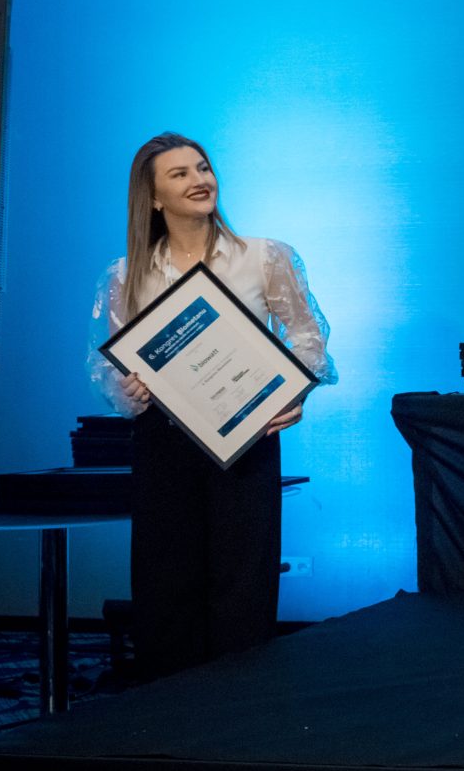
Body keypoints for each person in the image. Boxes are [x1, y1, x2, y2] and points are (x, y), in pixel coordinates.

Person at [88, 131, 337, 681]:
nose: (200, 180)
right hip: (163, 442)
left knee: (244, 584)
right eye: (179, 174)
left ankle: (240, 713)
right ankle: (171, 713)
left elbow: (308, 338)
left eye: (203, 168)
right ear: (153, 197)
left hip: (245, 437)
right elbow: (111, 367)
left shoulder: (264, 257)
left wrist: (293, 391)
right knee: (165, 585)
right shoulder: (125, 274)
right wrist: (125, 389)